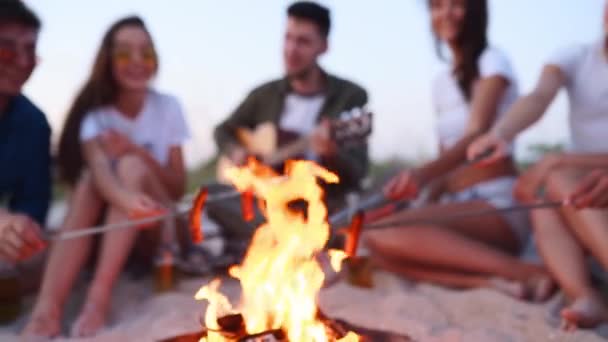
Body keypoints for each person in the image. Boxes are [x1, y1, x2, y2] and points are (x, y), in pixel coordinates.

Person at [363, 0, 552, 301]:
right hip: (457, 205)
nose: (446, 14)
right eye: (437, 6)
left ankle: (523, 272)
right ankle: (488, 281)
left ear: (475, 10)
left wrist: (421, 175)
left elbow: (477, 134)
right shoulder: (442, 81)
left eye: (456, 4)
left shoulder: (493, 60)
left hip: (496, 203)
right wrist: (416, 201)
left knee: (383, 232)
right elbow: (447, 165)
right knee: (373, 240)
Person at [23, 16, 190, 338]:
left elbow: (177, 186)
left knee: (130, 165)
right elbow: (99, 174)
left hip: (163, 232)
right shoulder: (96, 117)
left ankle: (97, 300)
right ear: (109, 60)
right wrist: (130, 201)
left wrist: (136, 151)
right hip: (118, 229)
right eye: (126, 53)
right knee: (93, 180)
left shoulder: (168, 107)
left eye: (146, 52)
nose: (138, 61)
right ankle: (48, 311)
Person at [469, 0, 608, 329]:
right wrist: (500, 133)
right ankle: (584, 295)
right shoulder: (577, 56)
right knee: (545, 195)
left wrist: (558, 159)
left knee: (557, 178)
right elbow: (539, 96)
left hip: (581, 177)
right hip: (585, 187)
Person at [210, 1, 369, 243]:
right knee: (210, 195)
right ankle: (294, 239)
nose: (291, 49)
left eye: (303, 42)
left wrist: (331, 155)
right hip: (266, 200)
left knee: (359, 207)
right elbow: (222, 131)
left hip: (318, 201)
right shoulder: (264, 94)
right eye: (288, 38)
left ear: (323, 47)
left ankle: (281, 238)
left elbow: (357, 172)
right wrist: (237, 151)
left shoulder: (350, 96)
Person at [0, 0, 49, 264]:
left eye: (30, 52)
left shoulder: (34, 124)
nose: (21, 62)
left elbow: (33, 206)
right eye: (6, 50)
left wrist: (20, 229)